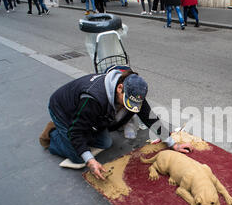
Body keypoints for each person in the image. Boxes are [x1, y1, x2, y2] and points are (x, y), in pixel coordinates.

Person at [40, 67, 193, 180]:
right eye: (126, 103)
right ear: (120, 88)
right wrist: (90, 160)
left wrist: (173, 144)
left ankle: (79, 123)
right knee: (79, 157)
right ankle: (54, 133)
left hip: (84, 112)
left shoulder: (134, 91)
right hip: (62, 109)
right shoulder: (93, 99)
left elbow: (150, 118)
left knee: (105, 142)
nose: (129, 108)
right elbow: (76, 133)